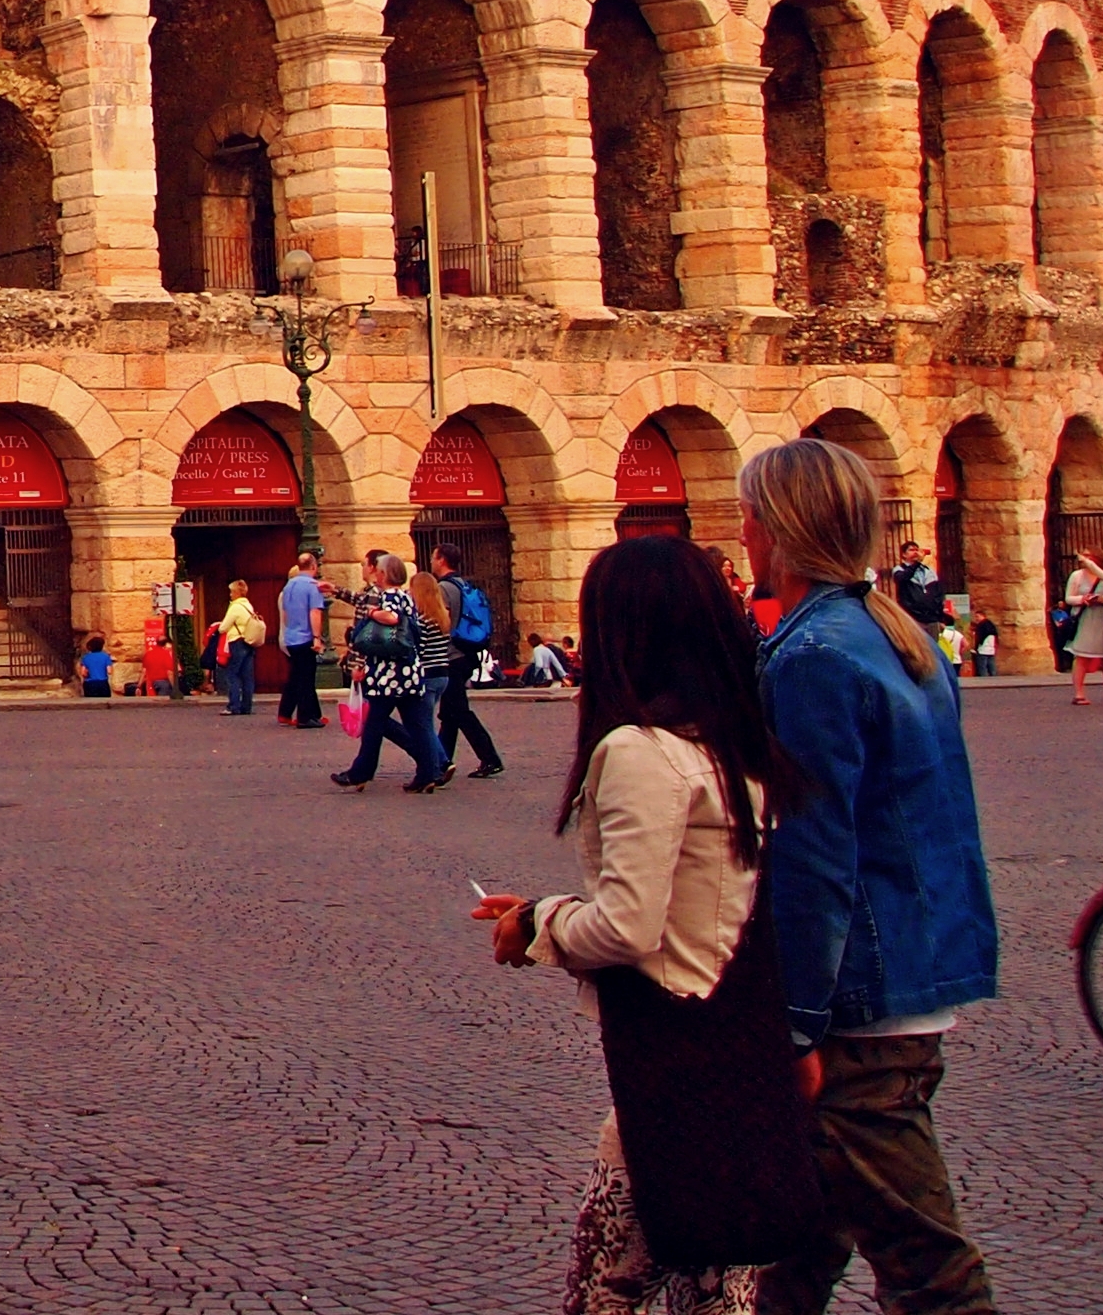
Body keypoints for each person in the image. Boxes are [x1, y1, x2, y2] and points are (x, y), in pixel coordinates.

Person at [470, 535, 804, 1314]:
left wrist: (539, 925)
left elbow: (629, 927)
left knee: (603, 1295)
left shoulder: (638, 750)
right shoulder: (733, 743)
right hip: (737, 1040)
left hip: (672, 1064)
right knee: (718, 1294)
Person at [741, 438, 1000, 1315]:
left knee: (928, 1268)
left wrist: (797, 1027)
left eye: (747, 517)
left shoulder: (813, 656)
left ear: (774, 530)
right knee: (797, 1249)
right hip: (915, 962)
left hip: (860, 1002)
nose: (740, 533)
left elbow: (815, 852)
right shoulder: (899, 636)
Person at [332, 548, 450, 794]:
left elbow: (392, 618)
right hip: (410, 673)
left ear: (384, 574)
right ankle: (429, 772)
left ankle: (361, 772)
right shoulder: (409, 597)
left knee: (374, 723)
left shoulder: (390, 597)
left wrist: (373, 613)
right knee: (417, 724)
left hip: (389, 673)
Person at [425, 548, 507, 779]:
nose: (432, 561)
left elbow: (443, 621)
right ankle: (440, 763)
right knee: (450, 714)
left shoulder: (443, 588)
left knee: (458, 712)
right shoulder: (463, 584)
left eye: (433, 557)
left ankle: (489, 757)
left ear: (441, 560)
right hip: (466, 653)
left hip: (452, 655)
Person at [1061, 547, 1103, 704]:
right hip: (1084, 618)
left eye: (1088, 555)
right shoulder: (1077, 576)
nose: (1084, 559)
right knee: (1081, 657)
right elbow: (1068, 598)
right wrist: (1083, 599)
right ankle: (1079, 693)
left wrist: (1102, 599)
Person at [277, 550, 328, 729]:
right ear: (314, 566)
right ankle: (305, 717)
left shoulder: (289, 586)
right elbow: (315, 612)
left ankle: (309, 714)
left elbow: (285, 613)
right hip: (305, 636)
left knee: (298, 676)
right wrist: (317, 637)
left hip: (291, 636)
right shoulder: (312, 586)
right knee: (307, 679)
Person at [216, 584, 265, 717]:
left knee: (232, 674)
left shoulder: (235, 607)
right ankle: (246, 706)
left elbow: (223, 627)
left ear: (237, 593)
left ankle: (233, 706)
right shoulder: (248, 605)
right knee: (247, 676)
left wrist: (219, 627)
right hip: (248, 642)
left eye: (232, 592)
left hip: (237, 642)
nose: (230, 595)